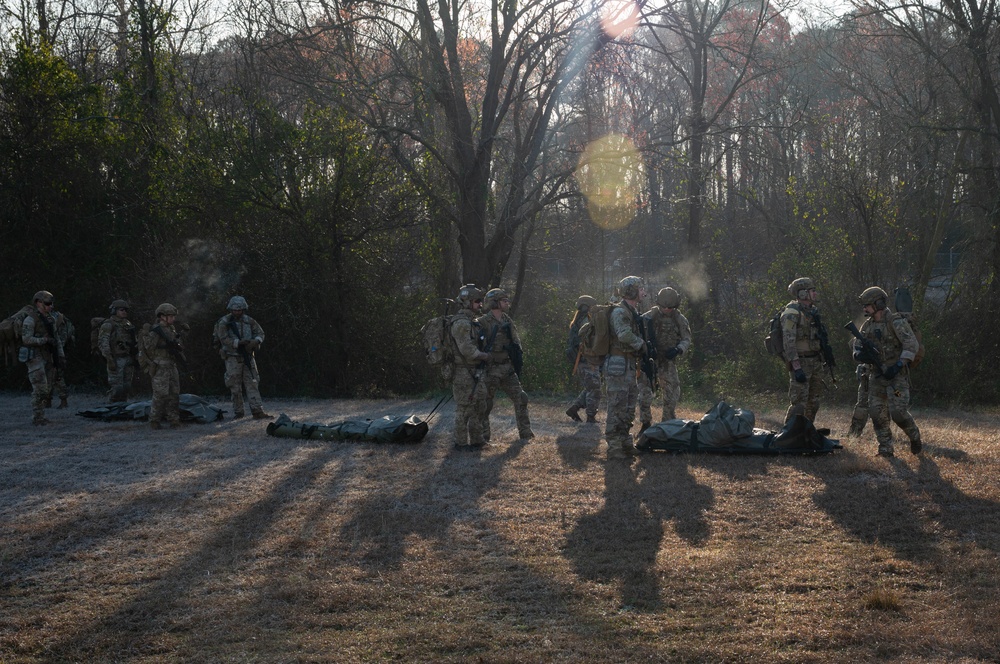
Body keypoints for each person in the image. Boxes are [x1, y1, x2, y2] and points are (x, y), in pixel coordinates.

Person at [854, 286, 922, 457]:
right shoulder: (867, 326)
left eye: (867, 305)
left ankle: (914, 436)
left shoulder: (896, 322)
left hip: (896, 378)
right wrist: (860, 354)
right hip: (876, 376)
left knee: (898, 412)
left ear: (878, 303)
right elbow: (856, 346)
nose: (864, 309)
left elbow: (911, 344)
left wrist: (899, 365)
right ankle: (885, 448)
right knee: (877, 412)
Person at [477, 288, 534, 442]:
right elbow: (477, 347)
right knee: (485, 404)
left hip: (507, 367)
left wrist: (517, 358)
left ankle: (526, 433)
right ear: (495, 302)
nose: (507, 303)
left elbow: (516, 342)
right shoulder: (483, 322)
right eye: (504, 300)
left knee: (521, 398)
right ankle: (484, 436)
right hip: (490, 369)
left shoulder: (507, 320)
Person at [604, 275, 646, 458]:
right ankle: (614, 446)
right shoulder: (620, 312)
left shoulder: (632, 311)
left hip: (628, 364)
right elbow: (623, 335)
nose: (643, 292)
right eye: (640, 288)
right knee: (617, 405)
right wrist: (641, 344)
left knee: (629, 405)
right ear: (632, 291)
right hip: (617, 365)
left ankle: (625, 441)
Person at [638, 287, 692, 427]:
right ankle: (645, 423)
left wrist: (678, 349)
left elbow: (686, 339)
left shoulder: (679, 319)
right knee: (644, 393)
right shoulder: (648, 317)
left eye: (671, 307)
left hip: (668, 360)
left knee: (672, 391)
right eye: (664, 307)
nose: (667, 309)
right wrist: (646, 350)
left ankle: (667, 422)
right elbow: (638, 335)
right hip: (650, 360)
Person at [215, 295, 271, 420]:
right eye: (234, 310)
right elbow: (222, 338)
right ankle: (238, 412)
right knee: (234, 386)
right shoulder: (224, 322)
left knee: (252, 382)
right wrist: (237, 343)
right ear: (230, 309)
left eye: (239, 310)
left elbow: (260, 333)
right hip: (232, 357)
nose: (237, 312)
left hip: (248, 357)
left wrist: (255, 341)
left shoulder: (249, 321)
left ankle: (257, 411)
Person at [781, 277, 828, 425]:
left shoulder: (812, 312)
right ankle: (787, 434)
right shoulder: (791, 313)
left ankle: (806, 432)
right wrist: (796, 367)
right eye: (812, 291)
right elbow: (788, 342)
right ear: (802, 294)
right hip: (801, 361)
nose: (815, 293)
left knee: (813, 402)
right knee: (799, 403)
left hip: (815, 360)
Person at [449, 285, 491, 450]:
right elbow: (466, 349)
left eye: (480, 301)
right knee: (464, 408)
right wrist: (484, 356)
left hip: (475, 370)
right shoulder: (460, 323)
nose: (480, 304)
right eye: (477, 301)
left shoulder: (471, 322)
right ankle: (460, 442)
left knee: (479, 405)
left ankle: (477, 440)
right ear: (466, 302)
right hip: (463, 371)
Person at [20, 290, 64, 425]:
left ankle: (40, 415)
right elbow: (26, 339)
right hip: (35, 357)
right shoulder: (30, 319)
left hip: (48, 356)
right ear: (38, 303)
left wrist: (61, 355)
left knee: (48, 389)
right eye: (47, 303)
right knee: (40, 388)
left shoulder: (51, 319)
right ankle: (38, 417)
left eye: (51, 303)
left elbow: (56, 338)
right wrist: (43, 340)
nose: (50, 306)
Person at [565, 295, 603, 424]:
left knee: (590, 386)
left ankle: (574, 408)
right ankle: (591, 417)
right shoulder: (586, 321)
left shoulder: (578, 321)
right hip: (587, 360)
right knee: (595, 389)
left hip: (583, 360)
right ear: (587, 307)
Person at [146, 303, 184, 429]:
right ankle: (154, 421)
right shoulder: (156, 330)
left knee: (174, 393)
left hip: (171, 365)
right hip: (161, 365)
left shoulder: (171, 329)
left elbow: (177, 344)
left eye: (173, 316)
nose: (173, 318)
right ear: (162, 316)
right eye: (170, 316)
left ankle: (174, 420)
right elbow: (148, 348)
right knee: (160, 394)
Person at [99, 299, 137, 403]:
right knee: (117, 388)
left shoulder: (128, 324)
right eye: (121, 310)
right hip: (116, 358)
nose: (124, 312)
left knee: (127, 386)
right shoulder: (108, 324)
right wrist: (109, 359)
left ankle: (122, 407)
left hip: (128, 358)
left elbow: (134, 341)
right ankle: (111, 406)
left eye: (126, 310)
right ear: (114, 310)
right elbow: (103, 343)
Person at [50, 307, 75, 409]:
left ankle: (63, 400)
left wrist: (59, 352)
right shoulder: (51, 317)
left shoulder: (57, 318)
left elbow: (62, 338)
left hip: (56, 352)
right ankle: (47, 400)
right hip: (50, 351)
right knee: (48, 377)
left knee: (58, 376)